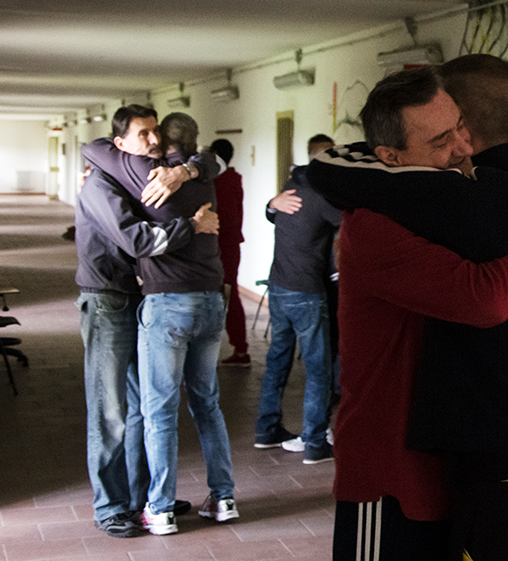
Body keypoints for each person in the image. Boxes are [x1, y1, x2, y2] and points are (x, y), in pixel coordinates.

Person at [306, 67, 508, 561]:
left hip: (461, 462)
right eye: (441, 140)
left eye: (461, 126)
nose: (463, 147)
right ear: (390, 157)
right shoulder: (374, 224)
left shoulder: (455, 204)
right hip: (394, 467)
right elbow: (482, 297)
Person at [84, 112, 239, 536]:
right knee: (204, 404)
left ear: (163, 141)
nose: (149, 140)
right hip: (208, 300)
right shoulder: (205, 177)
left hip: (166, 304)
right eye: (142, 133)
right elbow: (215, 162)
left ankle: (159, 506)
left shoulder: (144, 171)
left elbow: (93, 147)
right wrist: (192, 178)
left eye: (154, 133)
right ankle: (222, 497)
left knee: (157, 410)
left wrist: (179, 172)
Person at [252, 139, 342, 465]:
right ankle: (315, 442)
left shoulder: (290, 189)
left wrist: (270, 204)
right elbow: (353, 222)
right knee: (319, 369)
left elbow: (273, 214)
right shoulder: (323, 198)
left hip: (278, 287)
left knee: (278, 361)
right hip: (306, 292)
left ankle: (267, 430)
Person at [209, 139, 249, 367]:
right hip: (229, 247)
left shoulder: (221, 182)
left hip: (222, 248)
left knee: (228, 296)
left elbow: (225, 220)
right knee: (229, 296)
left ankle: (241, 349)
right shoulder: (233, 179)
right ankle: (240, 348)